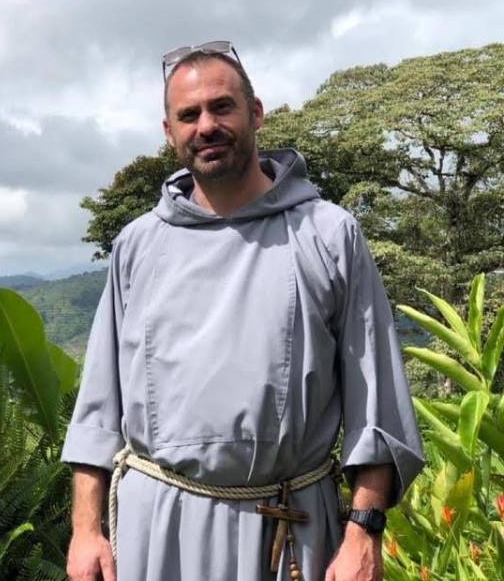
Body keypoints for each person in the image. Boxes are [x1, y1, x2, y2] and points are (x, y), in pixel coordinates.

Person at [62, 45, 423, 581]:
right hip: (157, 528)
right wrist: (86, 530)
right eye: (189, 115)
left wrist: (363, 531)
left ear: (255, 113)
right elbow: (98, 407)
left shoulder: (327, 233)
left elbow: (377, 404)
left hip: (288, 527)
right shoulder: (137, 245)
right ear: (170, 132)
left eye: (221, 107)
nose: (206, 125)